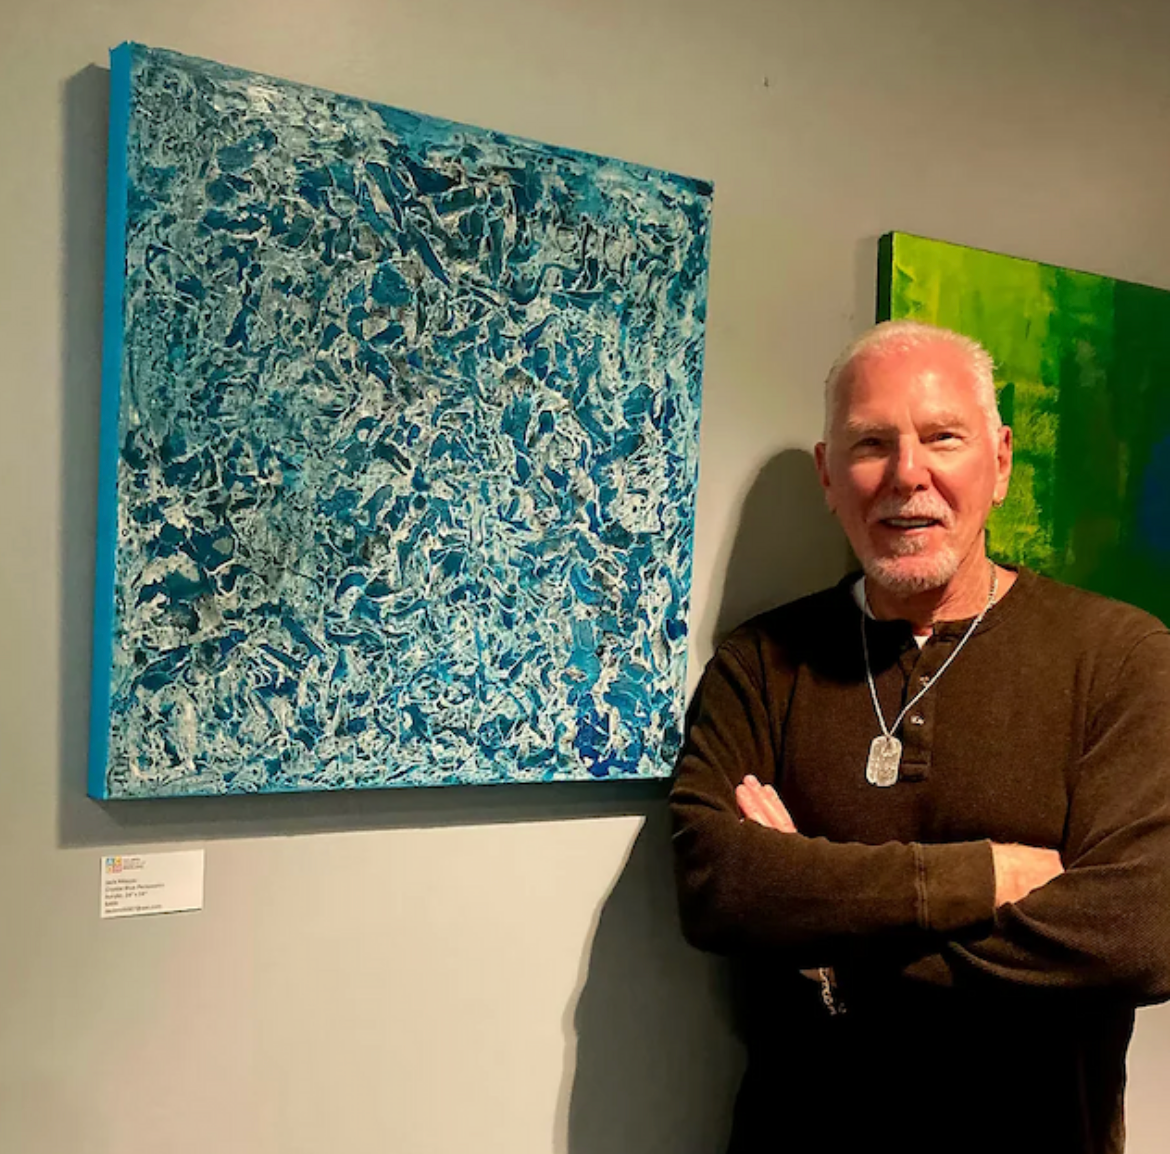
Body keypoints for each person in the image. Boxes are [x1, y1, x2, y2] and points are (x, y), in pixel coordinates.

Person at [669, 320, 1170, 1154]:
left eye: (943, 438)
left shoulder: (1121, 658)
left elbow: (1138, 933)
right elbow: (716, 885)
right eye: (871, 443)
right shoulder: (758, 665)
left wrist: (827, 945)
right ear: (829, 476)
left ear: (1000, 462)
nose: (907, 474)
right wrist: (979, 878)